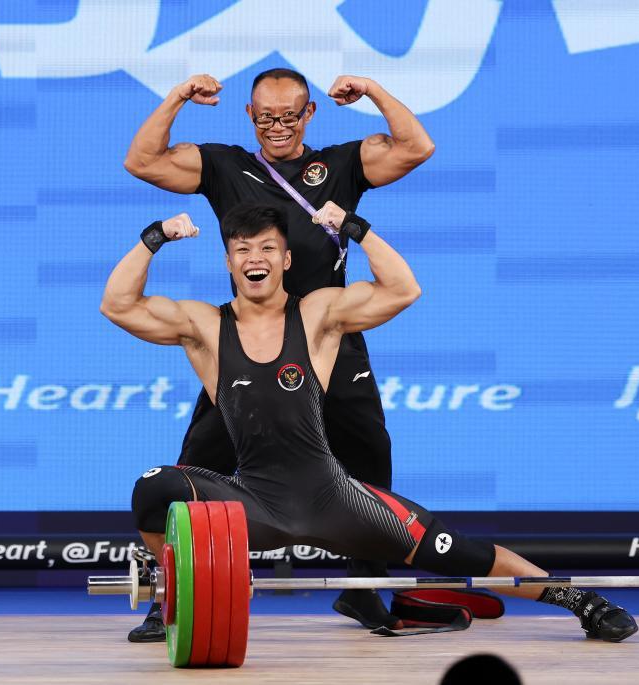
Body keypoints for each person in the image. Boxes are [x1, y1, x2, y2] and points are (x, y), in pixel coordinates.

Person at [100, 202, 639, 643]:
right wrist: (154, 237)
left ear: (286, 259)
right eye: (242, 250)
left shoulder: (319, 314)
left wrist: (356, 229)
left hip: (336, 499)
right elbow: (117, 305)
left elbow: (403, 289)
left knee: (461, 553)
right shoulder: (203, 325)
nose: (254, 259)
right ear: (228, 262)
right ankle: (169, 591)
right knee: (155, 486)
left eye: (266, 248)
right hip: (253, 504)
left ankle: (584, 603)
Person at [122, 67, 433, 640]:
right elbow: (142, 161)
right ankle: (169, 595)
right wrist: (178, 96)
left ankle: (364, 587)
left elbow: (417, 147)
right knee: (203, 457)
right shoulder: (224, 166)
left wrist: (372, 90)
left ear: (310, 113)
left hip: (331, 330)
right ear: (249, 115)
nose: (278, 126)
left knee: (370, 454)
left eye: (290, 115)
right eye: (266, 116)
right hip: (250, 339)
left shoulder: (341, 164)